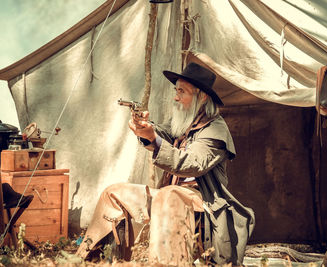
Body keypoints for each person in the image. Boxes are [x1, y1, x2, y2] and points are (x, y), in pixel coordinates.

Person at [76, 63, 255, 266]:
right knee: (113, 193)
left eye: (182, 91)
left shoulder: (216, 130)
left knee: (170, 194)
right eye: (175, 90)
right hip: (168, 195)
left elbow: (192, 164)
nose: (175, 97)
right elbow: (163, 132)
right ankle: (91, 261)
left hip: (202, 203)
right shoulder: (186, 120)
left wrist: (154, 138)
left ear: (202, 97)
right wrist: (145, 128)